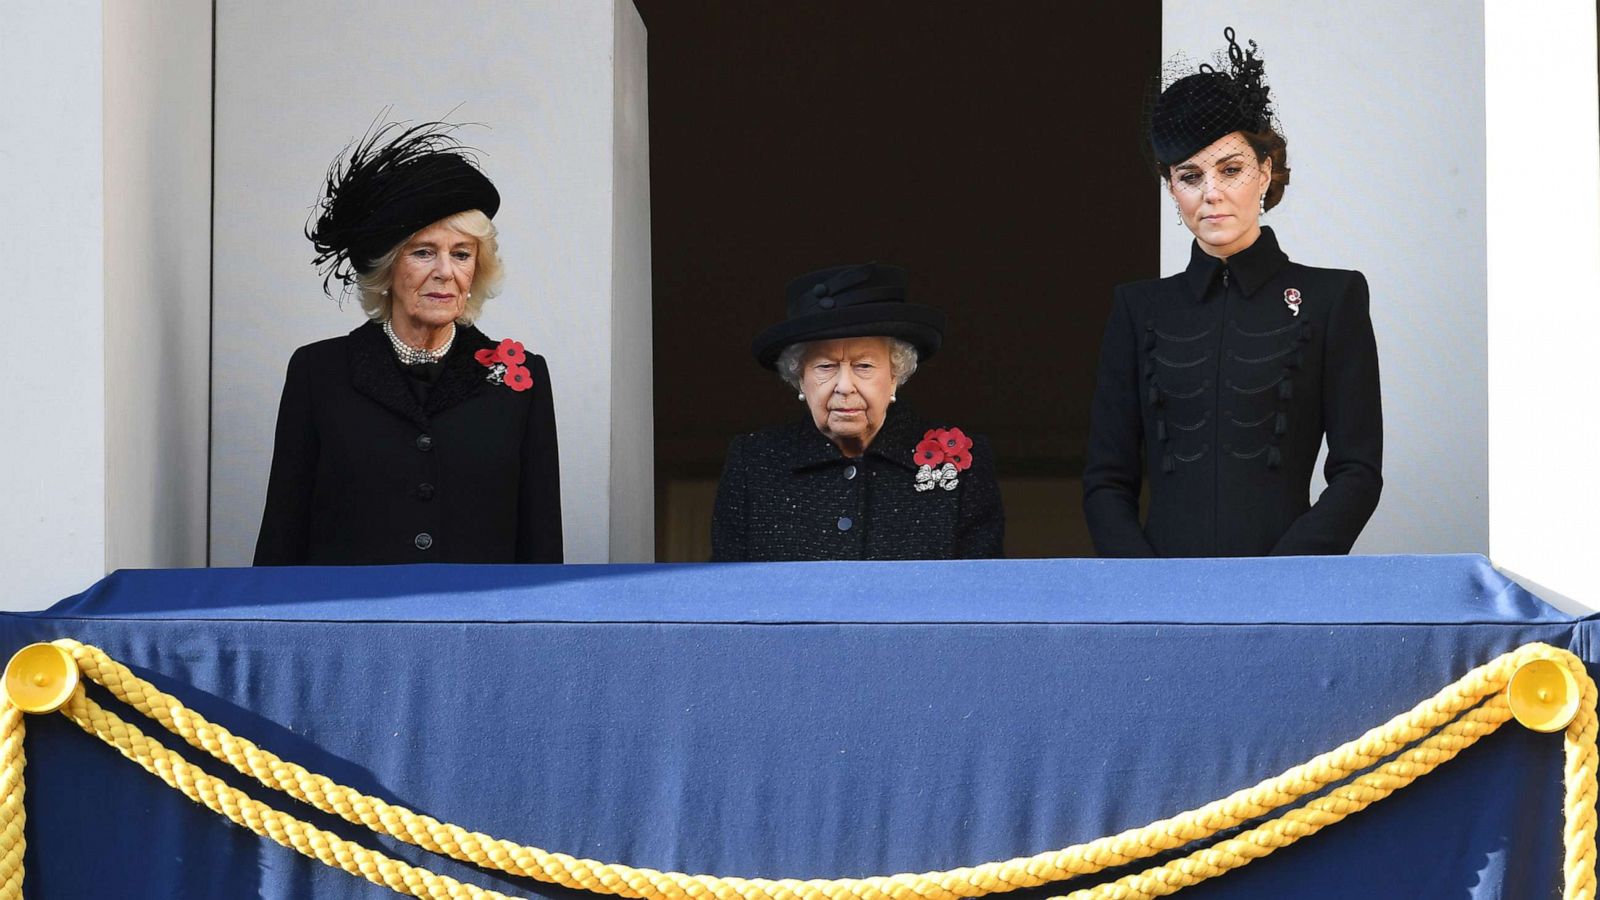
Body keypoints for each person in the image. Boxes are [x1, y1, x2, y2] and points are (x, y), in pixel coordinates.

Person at [1083, 28, 1382, 557]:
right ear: (1171, 189)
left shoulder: (1332, 297)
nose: (1212, 193)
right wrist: (1145, 585)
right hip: (1161, 598)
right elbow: (1107, 479)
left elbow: (1358, 471)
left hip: (1287, 591)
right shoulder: (1138, 309)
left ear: (1265, 173)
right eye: (1190, 175)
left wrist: (1284, 575)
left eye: (1231, 169)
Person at [254, 121, 562, 565]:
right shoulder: (318, 373)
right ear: (387, 269)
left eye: (461, 254)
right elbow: (282, 536)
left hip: (475, 629)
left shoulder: (522, 378)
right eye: (422, 252)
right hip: (348, 627)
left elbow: (541, 545)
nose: (444, 271)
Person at [711, 263, 1004, 561]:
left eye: (863, 366)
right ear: (800, 377)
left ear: (895, 374)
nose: (844, 386)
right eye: (826, 366)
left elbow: (981, 596)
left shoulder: (964, 466)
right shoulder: (754, 462)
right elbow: (727, 595)